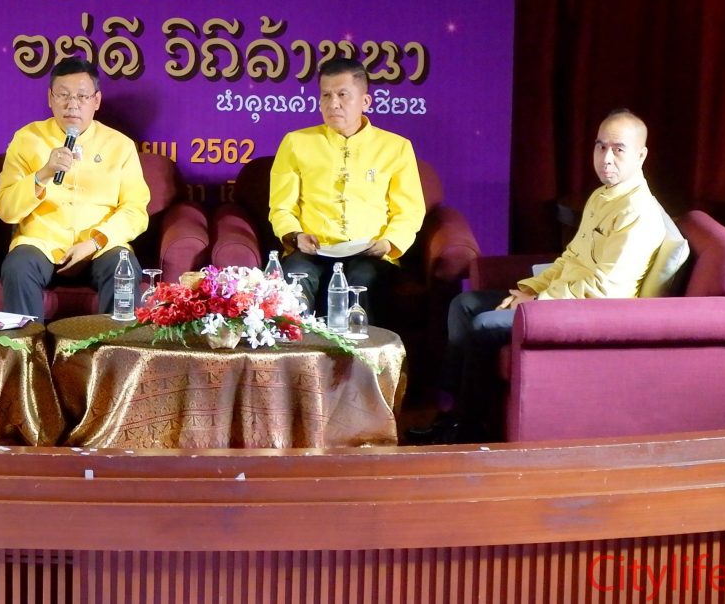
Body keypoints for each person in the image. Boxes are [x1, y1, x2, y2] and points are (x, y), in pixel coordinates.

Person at [413, 109, 668, 443]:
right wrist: (528, 290)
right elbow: (570, 259)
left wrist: (537, 301)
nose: (606, 158)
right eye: (600, 146)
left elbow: (606, 288)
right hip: (560, 298)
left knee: (484, 325)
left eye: (618, 149)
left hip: (589, 312)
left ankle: (468, 427)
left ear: (641, 155)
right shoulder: (601, 196)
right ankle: (451, 412)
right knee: (464, 304)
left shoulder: (637, 212)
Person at [268, 57, 425, 317]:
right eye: (326, 95)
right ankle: (297, 343)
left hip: (368, 252)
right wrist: (296, 236)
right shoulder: (296, 143)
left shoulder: (396, 147)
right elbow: (281, 207)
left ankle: (358, 345)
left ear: (365, 101)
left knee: (362, 281)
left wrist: (389, 243)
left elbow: (409, 211)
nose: (333, 104)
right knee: (295, 277)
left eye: (343, 95)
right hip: (313, 250)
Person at [0, 57, 151, 318]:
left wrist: (95, 241)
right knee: (17, 267)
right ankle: (26, 345)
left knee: (122, 267)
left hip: (100, 246)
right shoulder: (26, 139)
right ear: (50, 98)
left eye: (82, 96)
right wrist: (43, 174)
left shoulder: (120, 145)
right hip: (42, 244)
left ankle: (115, 345)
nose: (72, 104)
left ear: (96, 101)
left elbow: (135, 211)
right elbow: (6, 210)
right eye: (63, 95)